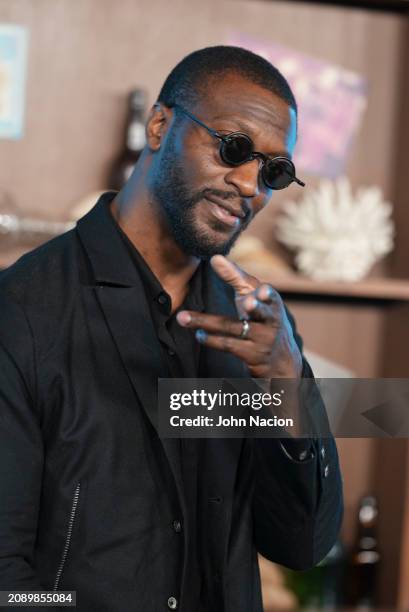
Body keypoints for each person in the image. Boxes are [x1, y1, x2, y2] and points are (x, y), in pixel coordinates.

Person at [0, 46, 343, 611]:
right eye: (234, 148)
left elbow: (301, 544)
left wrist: (288, 384)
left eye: (273, 170)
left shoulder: (259, 330)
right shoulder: (24, 312)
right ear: (159, 125)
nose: (250, 185)